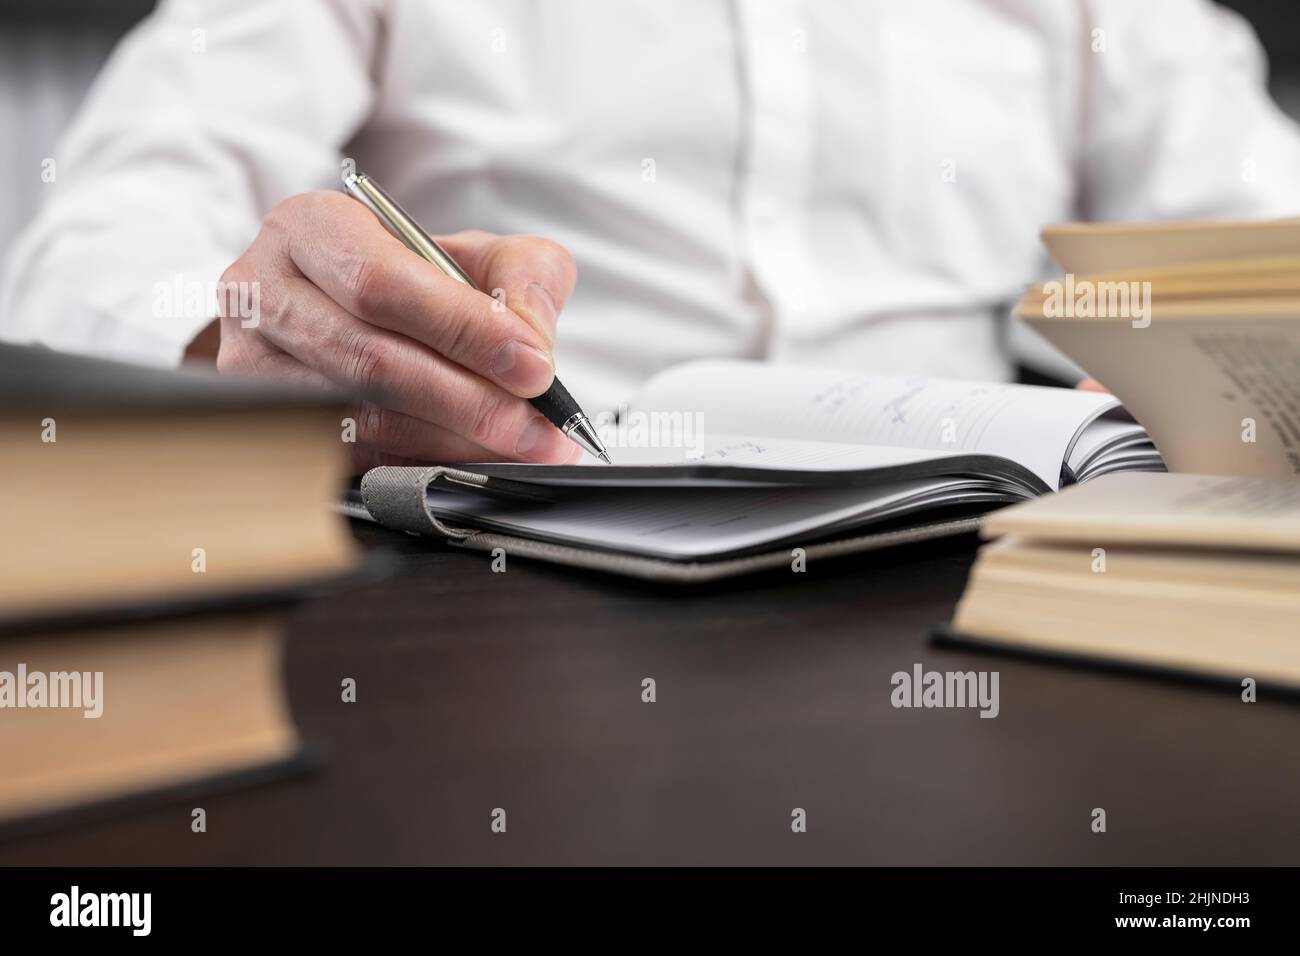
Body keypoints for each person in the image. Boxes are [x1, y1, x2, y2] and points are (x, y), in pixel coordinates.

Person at [3, 0, 1300, 467]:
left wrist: (1217, 356)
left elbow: (1266, 229)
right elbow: (85, 242)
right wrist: (238, 329)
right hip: (507, 568)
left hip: (969, 570)